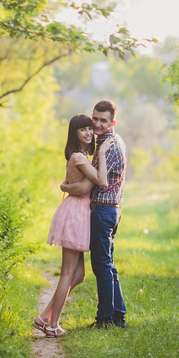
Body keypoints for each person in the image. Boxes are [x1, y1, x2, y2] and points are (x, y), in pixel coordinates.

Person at [34, 114, 111, 338]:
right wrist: (103, 153)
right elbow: (95, 182)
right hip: (76, 213)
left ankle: (44, 316)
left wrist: (66, 186)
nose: (88, 133)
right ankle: (51, 325)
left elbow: (77, 184)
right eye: (82, 130)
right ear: (74, 134)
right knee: (68, 273)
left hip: (79, 211)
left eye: (90, 129)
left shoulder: (83, 156)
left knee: (78, 275)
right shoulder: (79, 156)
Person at [60, 100, 127, 329]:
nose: (97, 124)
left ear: (112, 122)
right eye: (95, 119)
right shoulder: (109, 141)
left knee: (101, 266)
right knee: (108, 265)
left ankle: (105, 319)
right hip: (111, 209)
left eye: (103, 121)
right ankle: (118, 316)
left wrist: (66, 187)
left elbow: (93, 184)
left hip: (103, 209)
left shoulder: (108, 145)